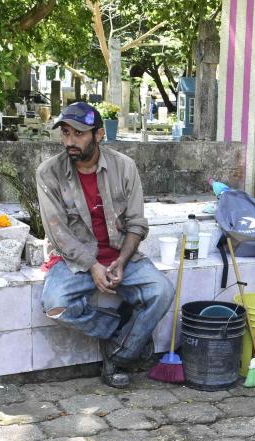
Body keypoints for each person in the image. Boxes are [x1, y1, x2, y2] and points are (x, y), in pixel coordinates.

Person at [36, 102, 175, 388]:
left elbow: (137, 224)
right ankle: (120, 332)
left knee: (162, 291)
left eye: (79, 134)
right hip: (74, 260)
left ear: (99, 135)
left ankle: (119, 357)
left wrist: (121, 262)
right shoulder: (49, 172)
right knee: (54, 305)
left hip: (121, 256)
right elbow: (58, 233)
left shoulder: (124, 167)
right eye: (65, 133)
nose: (70, 141)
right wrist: (93, 266)